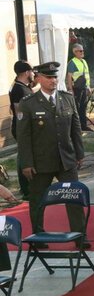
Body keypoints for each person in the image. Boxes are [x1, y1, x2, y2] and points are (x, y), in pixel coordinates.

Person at [16, 62, 89, 248]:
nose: (53, 81)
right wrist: (26, 163)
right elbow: (23, 137)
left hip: (66, 159)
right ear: (38, 78)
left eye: (55, 77)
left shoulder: (67, 99)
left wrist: (79, 153)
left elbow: (76, 128)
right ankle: (39, 237)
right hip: (40, 162)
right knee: (38, 201)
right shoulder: (28, 104)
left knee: (73, 199)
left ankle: (80, 237)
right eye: (48, 77)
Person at [9, 60, 34, 200]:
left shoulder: (23, 86)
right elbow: (19, 112)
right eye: (31, 71)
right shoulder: (18, 89)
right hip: (21, 128)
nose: (33, 74)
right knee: (24, 157)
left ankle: (28, 186)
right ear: (26, 72)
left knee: (24, 156)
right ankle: (26, 189)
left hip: (24, 127)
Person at [66, 43, 93, 131]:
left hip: (84, 88)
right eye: (80, 51)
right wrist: (70, 89)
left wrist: (88, 87)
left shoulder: (84, 61)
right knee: (77, 109)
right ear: (75, 52)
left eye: (82, 50)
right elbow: (69, 77)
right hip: (76, 89)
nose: (82, 52)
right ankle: (77, 128)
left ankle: (83, 126)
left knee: (83, 107)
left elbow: (86, 75)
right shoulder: (72, 62)